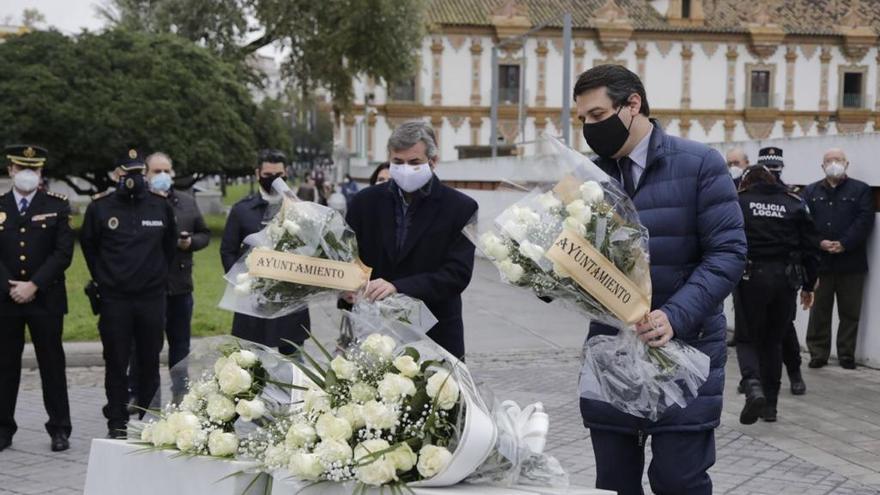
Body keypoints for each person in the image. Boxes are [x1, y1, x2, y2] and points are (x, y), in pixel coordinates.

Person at [574, 65, 746, 494]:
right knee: (613, 483)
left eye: (596, 116)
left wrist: (675, 315)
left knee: (677, 481)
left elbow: (728, 253)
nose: (589, 128)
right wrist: (540, 271)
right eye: (582, 120)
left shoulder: (700, 164)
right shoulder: (585, 179)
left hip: (684, 350)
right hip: (612, 354)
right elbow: (571, 262)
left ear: (632, 104)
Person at [346, 121, 478, 359]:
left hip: (436, 335)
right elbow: (349, 256)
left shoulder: (461, 208)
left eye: (414, 162)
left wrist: (399, 287)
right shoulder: (363, 203)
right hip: (375, 334)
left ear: (433, 161)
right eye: (397, 162)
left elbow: (457, 274)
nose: (405, 168)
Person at [80, 149, 177, 438]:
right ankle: (117, 420)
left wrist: (155, 276)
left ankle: (149, 421)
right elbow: (89, 247)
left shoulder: (160, 207)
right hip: (115, 299)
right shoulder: (100, 208)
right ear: (115, 176)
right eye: (126, 174)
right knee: (116, 362)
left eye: (137, 173)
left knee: (149, 360)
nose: (132, 179)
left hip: (150, 298)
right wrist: (106, 279)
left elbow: (169, 248)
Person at [0, 145, 74, 452]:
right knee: (4, 366)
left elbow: (63, 253)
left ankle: (59, 429)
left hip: (46, 298)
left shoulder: (57, 205)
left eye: (35, 169)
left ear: (41, 172)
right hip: (5, 300)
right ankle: (4, 429)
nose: (28, 174)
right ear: (11, 170)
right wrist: (10, 286)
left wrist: (34, 285)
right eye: (22, 168)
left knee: (52, 364)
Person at [734, 165, 819, 425]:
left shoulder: (740, 202)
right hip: (785, 280)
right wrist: (808, 285)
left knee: (747, 337)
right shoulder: (794, 203)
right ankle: (770, 406)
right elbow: (812, 248)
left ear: (746, 183)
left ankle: (753, 385)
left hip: (750, 278)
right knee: (774, 341)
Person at [127, 152, 211, 405]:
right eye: (156, 171)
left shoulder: (186, 202)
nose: (162, 176)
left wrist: (190, 243)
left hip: (180, 285)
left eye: (167, 171)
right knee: (143, 345)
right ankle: (139, 394)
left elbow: (204, 233)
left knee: (180, 345)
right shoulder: (138, 202)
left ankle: (180, 393)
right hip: (147, 287)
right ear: (146, 174)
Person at [220, 149, 310, 353]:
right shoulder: (242, 210)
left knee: (293, 365)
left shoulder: (301, 209)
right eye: (268, 175)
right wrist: (243, 280)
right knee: (254, 364)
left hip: (290, 300)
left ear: (286, 172)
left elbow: (311, 249)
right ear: (257, 174)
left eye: (279, 175)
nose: (274, 180)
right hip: (253, 301)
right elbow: (227, 250)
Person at [803, 148, 875, 370]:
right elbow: (805, 223)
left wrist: (844, 243)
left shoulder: (861, 190)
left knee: (850, 311)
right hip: (821, 262)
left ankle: (846, 354)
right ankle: (818, 353)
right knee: (819, 311)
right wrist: (820, 242)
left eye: (838, 159)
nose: (833, 163)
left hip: (850, 262)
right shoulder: (811, 191)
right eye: (828, 160)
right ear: (822, 166)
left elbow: (865, 221)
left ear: (847, 163)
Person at [754, 147, 809, 394]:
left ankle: (795, 372)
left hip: (785, 274)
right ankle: (755, 378)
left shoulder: (792, 198)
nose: (774, 174)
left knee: (785, 328)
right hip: (754, 273)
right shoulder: (747, 195)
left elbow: (805, 240)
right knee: (755, 330)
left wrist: (808, 280)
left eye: (777, 169)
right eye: (770, 170)